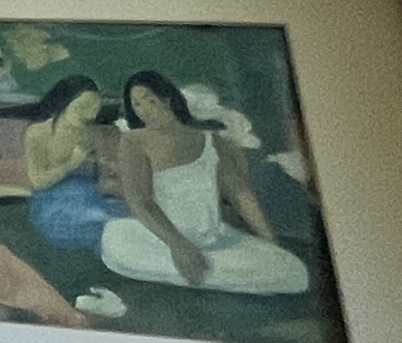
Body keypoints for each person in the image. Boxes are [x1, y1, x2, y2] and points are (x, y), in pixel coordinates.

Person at [92, 69, 310, 295]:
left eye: (149, 100)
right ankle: (197, 269)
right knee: (118, 248)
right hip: (161, 240)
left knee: (293, 272)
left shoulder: (212, 141)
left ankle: (210, 270)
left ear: (167, 98)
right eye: (136, 104)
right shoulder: (133, 142)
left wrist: (269, 240)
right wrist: (179, 246)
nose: (144, 109)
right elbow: (140, 201)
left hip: (214, 240)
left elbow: (241, 194)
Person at [19, 73, 117, 247]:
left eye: (95, 107)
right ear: (65, 102)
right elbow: (38, 181)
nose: (90, 114)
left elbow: (106, 179)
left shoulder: (95, 133)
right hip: (55, 204)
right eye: (83, 106)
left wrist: (107, 165)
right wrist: (73, 162)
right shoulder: (38, 133)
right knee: (103, 226)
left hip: (94, 197)